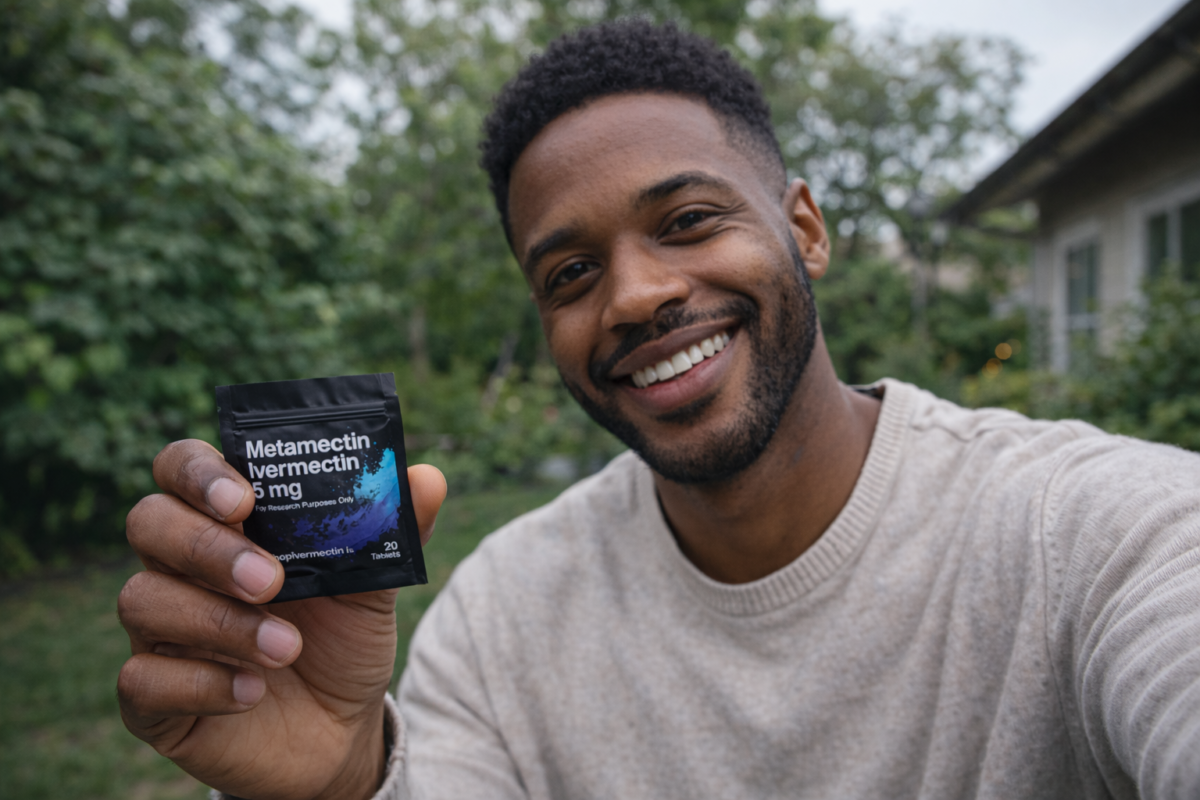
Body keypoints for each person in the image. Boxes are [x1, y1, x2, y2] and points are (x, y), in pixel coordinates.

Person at [117, 19, 1200, 800]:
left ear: (805, 229)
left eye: (686, 218)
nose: (633, 295)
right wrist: (344, 785)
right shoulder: (504, 615)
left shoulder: (1096, 533)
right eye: (571, 273)